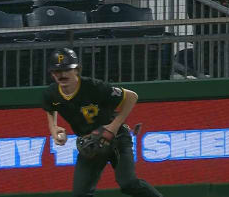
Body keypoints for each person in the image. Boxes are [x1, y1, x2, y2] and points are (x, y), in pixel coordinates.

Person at [42, 48, 163, 197]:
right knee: (80, 195)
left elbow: (132, 97)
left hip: (116, 138)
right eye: (56, 71)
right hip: (90, 144)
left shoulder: (94, 87)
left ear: (77, 69)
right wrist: (53, 128)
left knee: (128, 183)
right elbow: (50, 107)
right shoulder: (51, 93)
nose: (61, 74)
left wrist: (112, 127)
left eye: (67, 69)